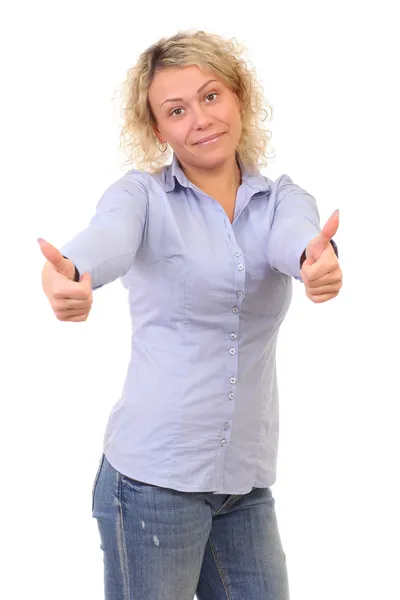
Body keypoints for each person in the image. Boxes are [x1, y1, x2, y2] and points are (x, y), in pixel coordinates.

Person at [39, 29, 342, 600]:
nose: (199, 119)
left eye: (210, 96)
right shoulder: (142, 197)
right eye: (176, 110)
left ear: (239, 96)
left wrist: (316, 261)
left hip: (243, 486)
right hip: (152, 485)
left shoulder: (280, 199)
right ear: (159, 130)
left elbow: (297, 240)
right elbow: (106, 237)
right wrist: (69, 273)